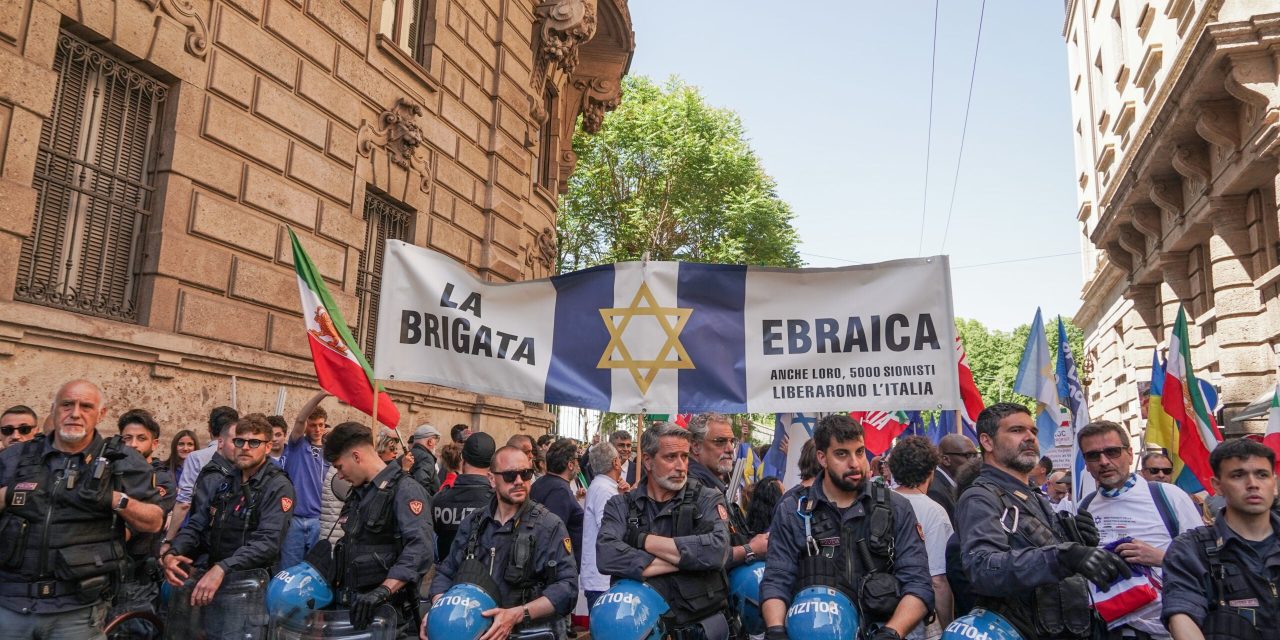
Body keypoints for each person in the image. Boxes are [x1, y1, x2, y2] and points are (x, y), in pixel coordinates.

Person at [0, 380, 164, 639]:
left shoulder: (122, 459)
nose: (75, 413)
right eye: (67, 405)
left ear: (101, 414)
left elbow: (154, 521)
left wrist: (115, 499)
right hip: (10, 604)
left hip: (77, 609)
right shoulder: (14, 457)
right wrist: (8, 495)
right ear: (53, 410)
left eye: (86, 406)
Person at [956, 403, 1131, 639]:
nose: (1029, 437)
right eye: (1017, 430)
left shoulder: (1032, 494)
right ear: (987, 442)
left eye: (1033, 432)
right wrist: (1064, 556)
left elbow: (1047, 556)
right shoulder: (981, 497)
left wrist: (1079, 543)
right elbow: (983, 569)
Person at [761, 414, 933, 640]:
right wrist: (775, 629)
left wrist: (892, 632)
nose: (854, 463)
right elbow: (777, 578)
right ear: (822, 457)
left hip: (880, 628)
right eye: (842, 454)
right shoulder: (793, 509)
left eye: (859, 452)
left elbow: (918, 584)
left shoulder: (897, 508)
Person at [596, 421, 734, 639]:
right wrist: (687, 562)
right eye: (671, 457)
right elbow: (607, 555)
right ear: (648, 461)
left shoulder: (707, 498)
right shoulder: (620, 505)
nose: (681, 466)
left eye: (685, 457)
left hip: (700, 627)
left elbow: (718, 551)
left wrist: (643, 540)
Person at [162, 414, 295, 639]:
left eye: (254, 442)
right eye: (240, 441)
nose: (245, 447)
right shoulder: (225, 481)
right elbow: (198, 524)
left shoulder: (277, 485)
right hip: (214, 583)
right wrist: (175, 551)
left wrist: (223, 567)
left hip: (248, 589)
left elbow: (267, 542)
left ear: (268, 447)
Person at [427, 445, 579, 639]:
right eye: (509, 475)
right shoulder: (474, 522)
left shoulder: (549, 525)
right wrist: (441, 610)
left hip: (528, 632)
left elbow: (567, 587)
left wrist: (518, 614)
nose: (519, 481)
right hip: (476, 631)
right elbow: (446, 572)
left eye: (526, 474)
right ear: (492, 479)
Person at [1075, 420, 1203, 640]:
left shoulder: (1168, 496)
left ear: (1130, 454)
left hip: (1167, 630)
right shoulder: (1084, 507)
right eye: (1093, 456)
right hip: (1107, 630)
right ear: (1086, 463)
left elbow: (1205, 561)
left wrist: (1161, 558)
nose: (1104, 462)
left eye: (1112, 452)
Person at [1161, 438, 1278, 640]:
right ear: (1218, 485)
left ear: (1274, 484)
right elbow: (1182, 615)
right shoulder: (1191, 549)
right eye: (1238, 475)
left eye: (1262, 475)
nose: (1252, 484)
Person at [323, 422, 434, 635]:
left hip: (388, 616)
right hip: (355, 612)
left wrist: (384, 590)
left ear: (356, 456)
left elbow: (420, 548)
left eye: (339, 467)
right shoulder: (357, 492)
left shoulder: (405, 489)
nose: (340, 475)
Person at [111, 408, 178, 637]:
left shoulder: (160, 479)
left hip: (138, 579)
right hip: (106, 577)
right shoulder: (110, 473)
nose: (133, 445)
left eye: (141, 438)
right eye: (127, 438)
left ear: (155, 443)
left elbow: (142, 524)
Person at [890, 435, 956, 634]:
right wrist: (948, 627)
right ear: (931, 471)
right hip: (918, 620)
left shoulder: (876, 503)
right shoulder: (934, 512)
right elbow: (937, 580)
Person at [688, 412, 766, 569]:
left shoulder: (713, 485)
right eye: (720, 442)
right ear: (696, 446)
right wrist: (751, 549)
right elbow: (701, 556)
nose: (730, 449)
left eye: (732, 441)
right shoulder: (691, 490)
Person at [163, 406, 238, 556]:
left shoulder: (196, 457)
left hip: (201, 534)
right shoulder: (241, 456)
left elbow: (184, 502)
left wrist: (169, 540)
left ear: (209, 427)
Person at [280, 391, 330, 570]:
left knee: (314, 572)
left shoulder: (330, 453)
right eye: (313, 425)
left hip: (320, 520)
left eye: (321, 425)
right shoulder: (297, 445)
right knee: (289, 569)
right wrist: (321, 395)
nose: (317, 429)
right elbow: (300, 420)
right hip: (295, 519)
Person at [432, 432, 496, 560]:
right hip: (483, 575)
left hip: (445, 575)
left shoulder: (439, 498)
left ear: (463, 460)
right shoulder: (498, 502)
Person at [530, 438, 585, 567]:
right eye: (577, 460)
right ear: (570, 464)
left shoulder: (542, 483)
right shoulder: (560, 490)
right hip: (557, 566)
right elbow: (553, 532)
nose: (578, 465)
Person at [581, 441, 622, 610]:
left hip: (601, 576)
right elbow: (609, 531)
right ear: (615, 462)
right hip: (602, 579)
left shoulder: (602, 486)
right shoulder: (604, 489)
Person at [929, 434, 977, 524]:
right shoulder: (935, 491)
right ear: (946, 460)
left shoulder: (960, 484)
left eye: (976, 455)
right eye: (969, 455)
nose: (974, 461)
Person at [409, 424, 441, 495]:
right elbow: (422, 486)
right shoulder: (426, 458)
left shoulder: (407, 454)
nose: (435, 444)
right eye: (435, 441)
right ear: (430, 441)